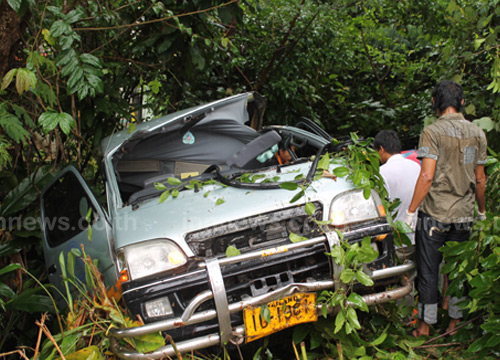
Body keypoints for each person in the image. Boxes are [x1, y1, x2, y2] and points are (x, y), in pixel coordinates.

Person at [404, 80, 487, 337]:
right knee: (457, 269)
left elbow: (427, 176)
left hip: (434, 215)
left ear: (434, 104)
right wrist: (481, 212)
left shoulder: (432, 132)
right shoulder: (477, 133)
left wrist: (411, 210)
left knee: (429, 270)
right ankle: (454, 324)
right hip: (464, 214)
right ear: (461, 102)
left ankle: (425, 326)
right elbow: (481, 178)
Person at [373, 130, 421, 250]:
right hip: (419, 235)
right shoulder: (416, 166)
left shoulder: (381, 173)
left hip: (398, 240)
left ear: (381, 149)